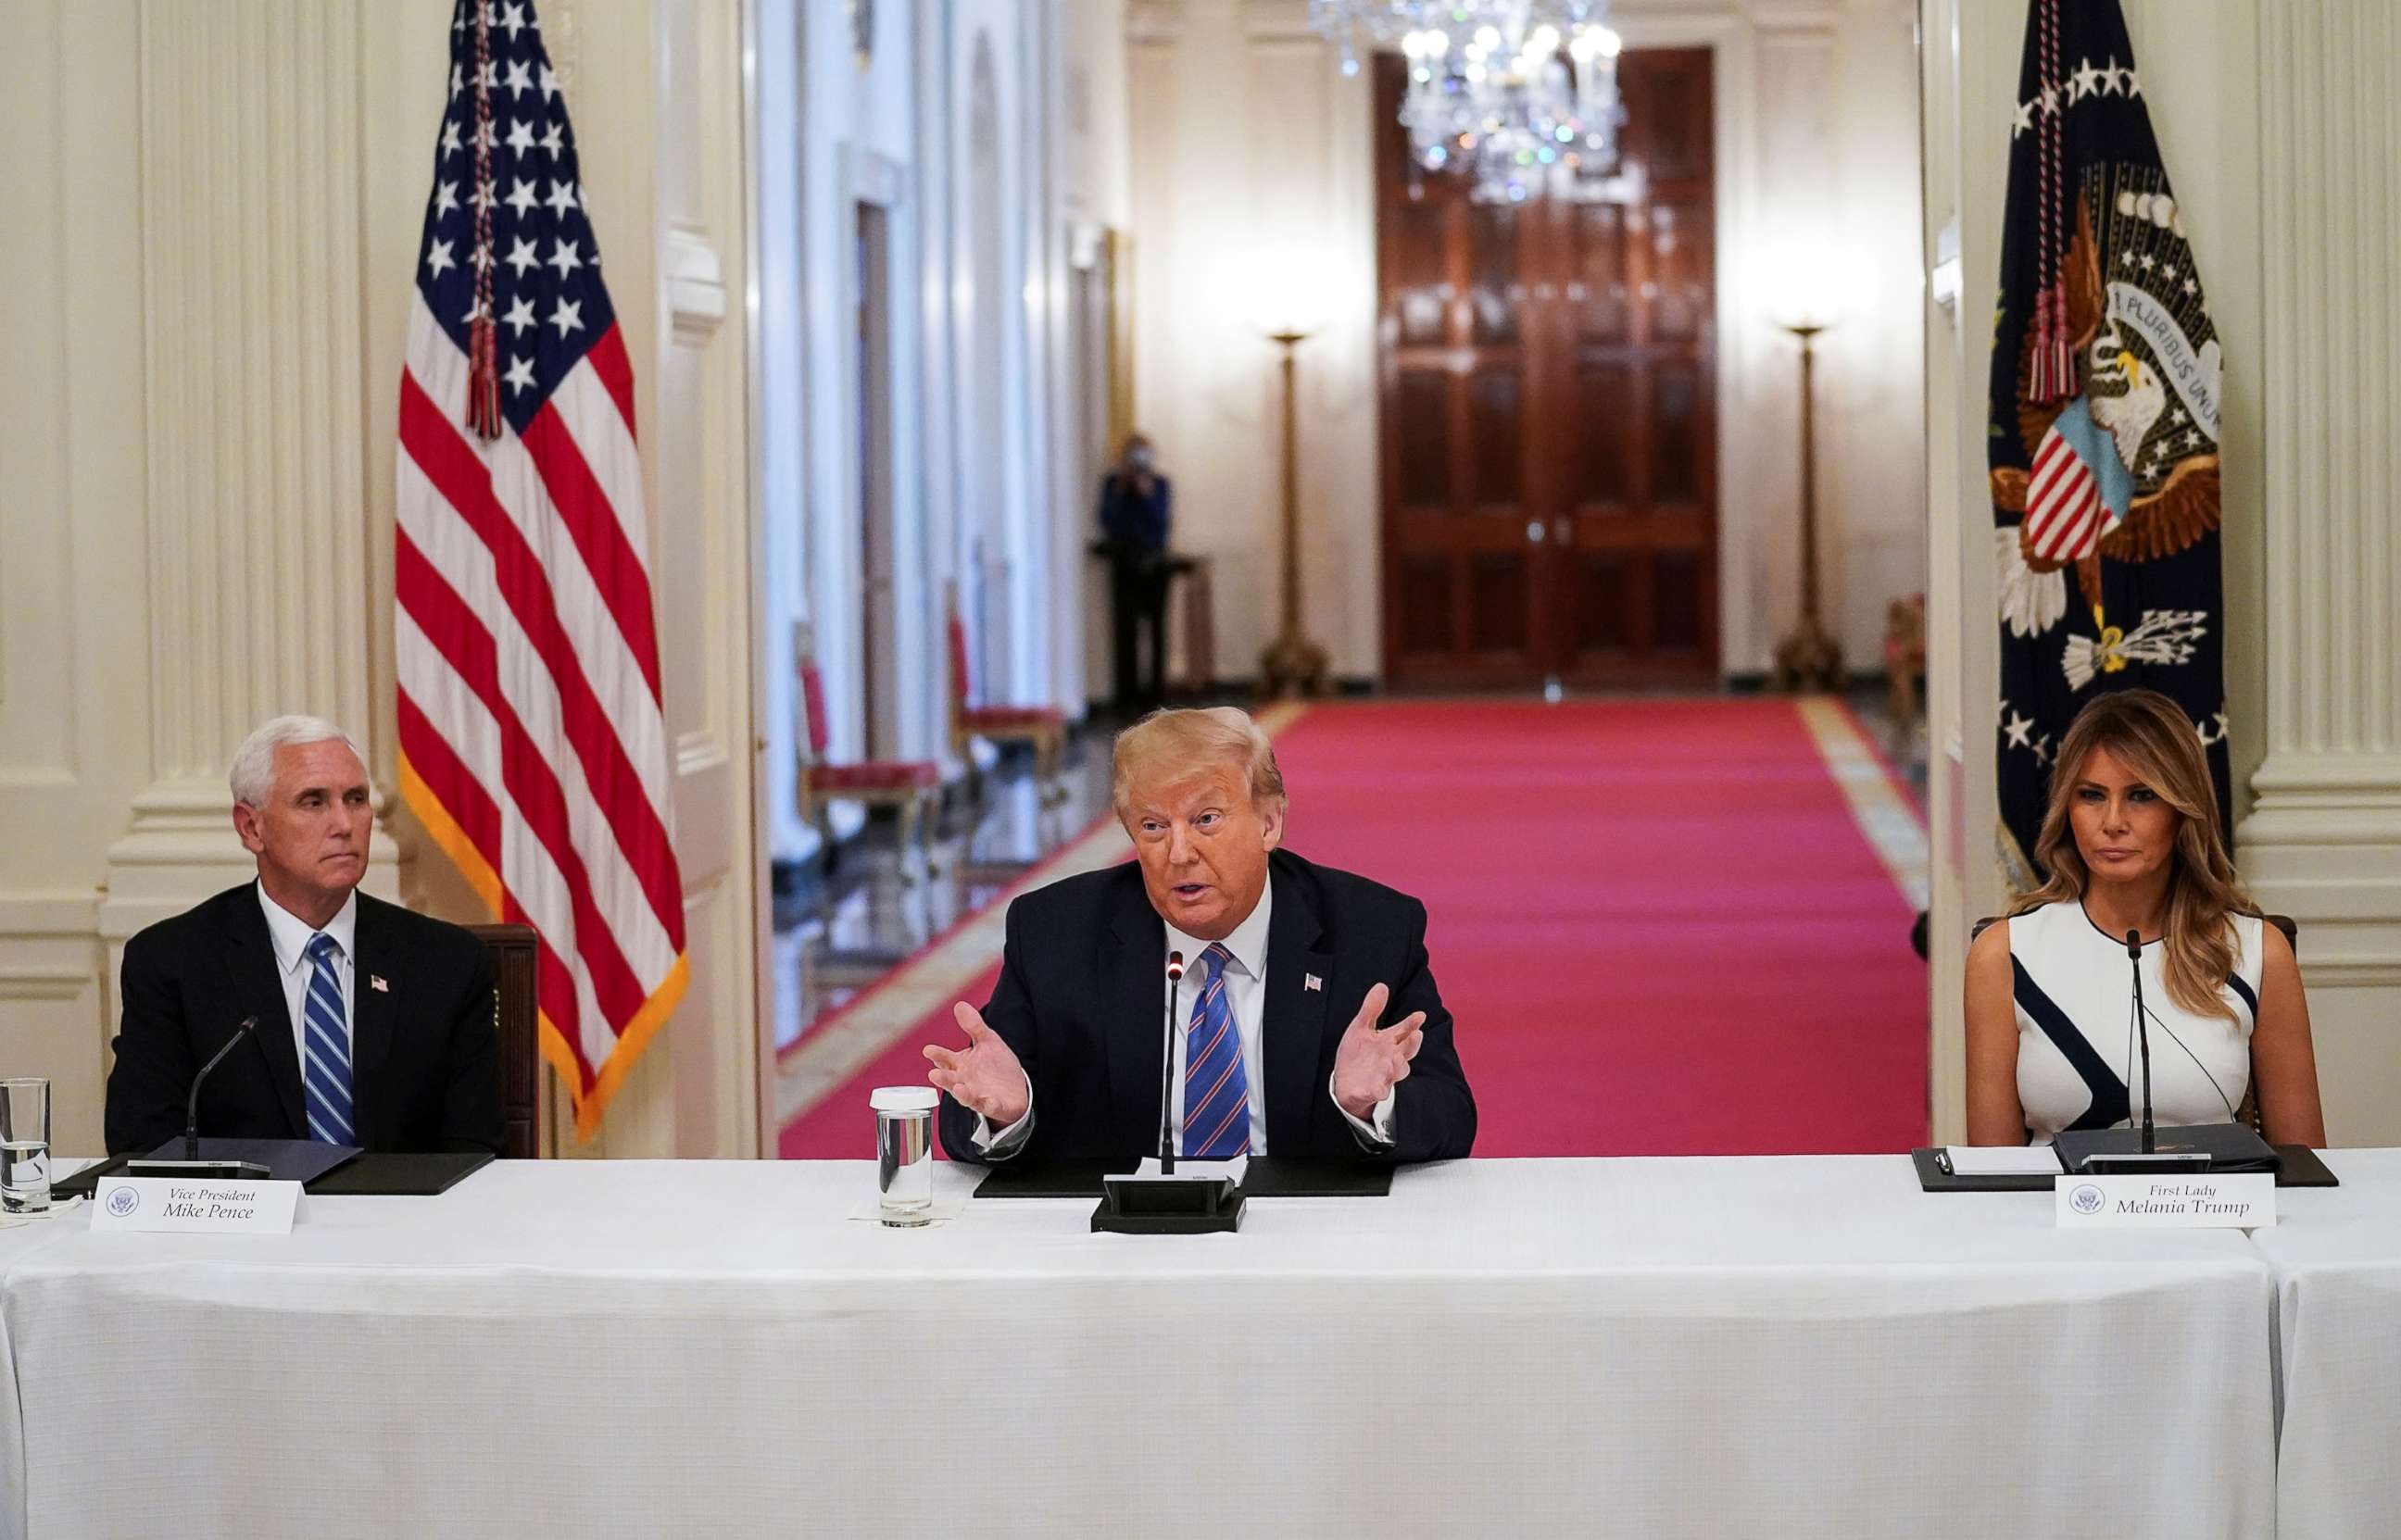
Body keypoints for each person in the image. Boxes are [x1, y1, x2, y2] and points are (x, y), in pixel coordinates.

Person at [924, 707, 1475, 1163]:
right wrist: (1007, 1114)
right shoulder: (1055, 934)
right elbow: (979, 1096)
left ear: (1269, 824)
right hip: (1125, 1252)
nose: (1180, 854)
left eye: (1207, 819)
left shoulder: (1370, 930)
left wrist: (1370, 1106)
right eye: (1153, 827)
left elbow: (1450, 1113)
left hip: (1306, 1245)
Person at [105, 717, 504, 1156]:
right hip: (242, 1220)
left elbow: (475, 1150)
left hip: (404, 1218)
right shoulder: (172, 963)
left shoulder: (447, 962)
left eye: (356, 799)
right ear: (251, 828)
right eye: (313, 802)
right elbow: (143, 1144)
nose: (344, 823)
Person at [1965, 689, 2325, 1146]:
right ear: (2066, 808)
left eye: (2141, 796)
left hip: (2213, 1214)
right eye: (2091, 795)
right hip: (2050, 1214)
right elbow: (1990, 1180)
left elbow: (2304, 1168)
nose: (2113, 821)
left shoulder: (2257, 950)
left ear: (2182, 810)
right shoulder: (2003, 954)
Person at [1096, 432, 1173, 714]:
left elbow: (1161, 524)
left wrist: (1146, 492)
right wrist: (1121, 489)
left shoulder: (1160, 485)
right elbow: (1108, 521)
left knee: (1156, 632)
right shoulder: (1113, 486)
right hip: (1124, 565)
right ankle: (1125, 697)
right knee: (1124, 633)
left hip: (1154, 566)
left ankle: (1155, 695)